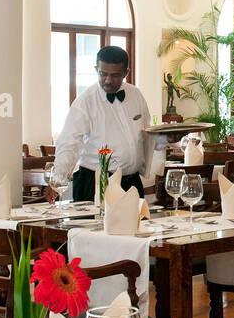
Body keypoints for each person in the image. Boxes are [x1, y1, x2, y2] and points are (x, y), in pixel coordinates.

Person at [49, 45, 163, 202]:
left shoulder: (135, 95)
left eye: (115, 75)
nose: (108, 80)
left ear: (126, 73)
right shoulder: (85, 101)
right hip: (95, 183)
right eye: (103, 74)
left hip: (131, 183)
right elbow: (69, 142)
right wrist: (58, 180)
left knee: (135, 226)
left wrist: (166, 139)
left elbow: (145, 135)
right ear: (96, 69)